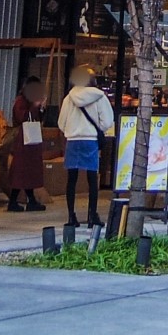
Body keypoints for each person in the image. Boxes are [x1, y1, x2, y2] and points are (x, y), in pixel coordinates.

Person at [56, 65, 113, 228]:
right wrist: (98, 129)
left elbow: (61, 123)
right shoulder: (100, 97)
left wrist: (71, 130)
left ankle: (71, 216)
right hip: (90, 140)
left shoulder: (69, 98)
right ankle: (92, 216)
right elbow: (107, 121)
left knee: (72, 180)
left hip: (73, 141)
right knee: (92, 179)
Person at [5, 76, 47, 212]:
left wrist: (40, 108)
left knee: (28, 171)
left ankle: (31, 200)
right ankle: (14, 201)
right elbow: (22, 117)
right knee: (21, 170)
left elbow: (38, 118)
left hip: (31, 140)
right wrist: (35, 107)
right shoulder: (20, 101)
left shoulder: (28, 101)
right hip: (23, 141)